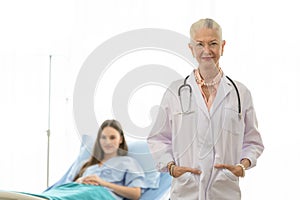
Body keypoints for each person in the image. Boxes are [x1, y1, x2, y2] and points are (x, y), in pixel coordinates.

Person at [147, 18, 264, 199]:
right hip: (185, 191)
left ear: (223, 46)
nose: (207, 50)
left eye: (213, 43)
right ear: (191, 49)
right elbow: (158, 138)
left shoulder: (241, 93)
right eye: (200, 44)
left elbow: (253, 141)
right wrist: (171, 167)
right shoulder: (175, 92)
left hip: (224, 191)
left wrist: (242, 166)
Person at [72, 119, 145, 200]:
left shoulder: (128, 162)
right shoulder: (87, 164)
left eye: (112, 137)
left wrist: (102, 183)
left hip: (98, 195)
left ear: (120, 139)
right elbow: (69, 188)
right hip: (78, 193)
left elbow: (136, 194)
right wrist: (79, 181)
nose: (107, 142)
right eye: (103, 137)